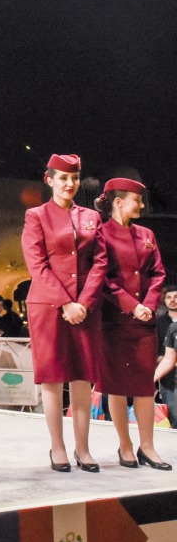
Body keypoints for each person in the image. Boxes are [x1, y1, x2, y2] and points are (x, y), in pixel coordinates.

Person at [21, 153, 107, 473]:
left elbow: (100, 263)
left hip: (86, 308)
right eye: (62, 178)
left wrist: (82, 302)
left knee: (84, 379)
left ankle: (83, 449)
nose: (69, 184)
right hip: (48, 307)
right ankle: (57, 447)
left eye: (73, 178)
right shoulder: (36, 215)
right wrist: (65, 303)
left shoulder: (90, 217)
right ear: (50, 180)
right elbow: (37, 264)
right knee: (53, 380)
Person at [95, 178, 169, 470]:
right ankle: (125, 445)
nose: (141, 205)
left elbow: (158, 273)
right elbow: (101, 278)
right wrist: (131, 305)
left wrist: (148, 306)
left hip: (144, 321)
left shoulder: (146, 233)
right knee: (115, 386)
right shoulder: (101, 234)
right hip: (114, 320)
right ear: (118, 202)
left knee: (143, 385)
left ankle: (147, 447)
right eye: (136, 200)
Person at [155, 286, 177, 422]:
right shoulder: (168, 326)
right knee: (174, 417)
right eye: (169, 297)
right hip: (169, 378)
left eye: (176, 296)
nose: (172, 300)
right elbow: (169, 358)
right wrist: (153, 377)